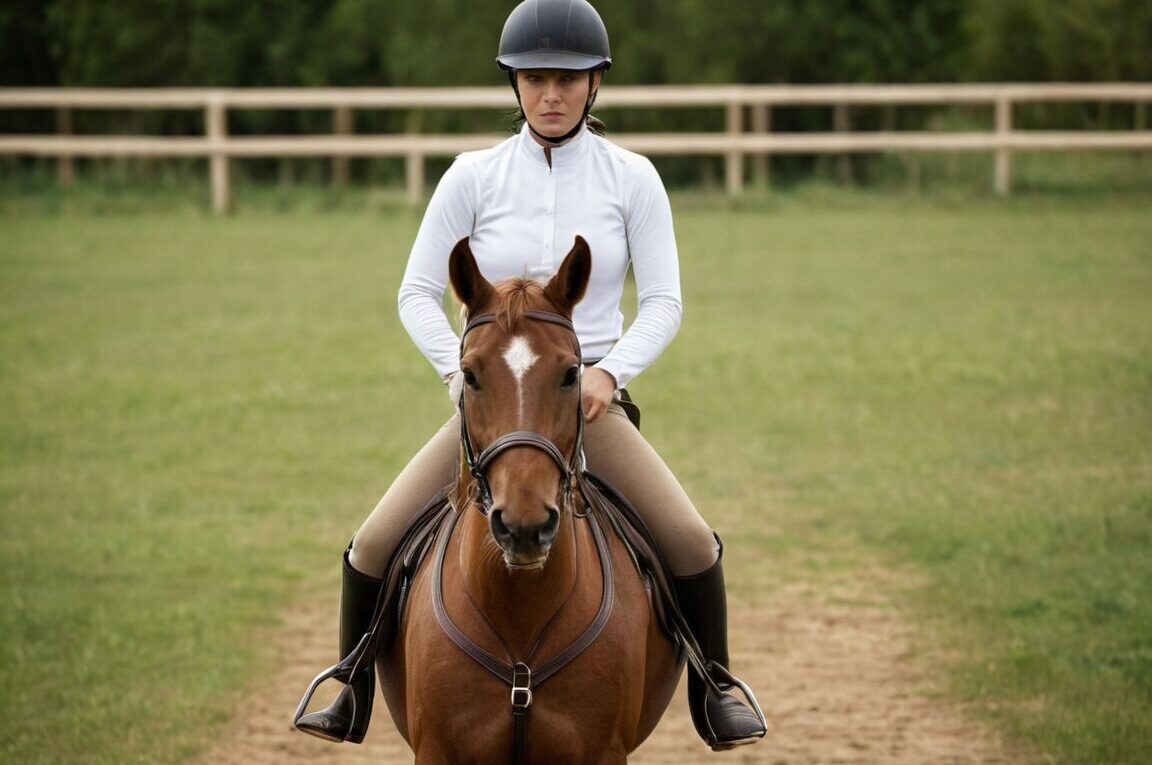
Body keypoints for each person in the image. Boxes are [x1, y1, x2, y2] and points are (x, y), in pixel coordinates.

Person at [294, 0, 766, 752]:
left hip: (587, 407)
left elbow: (666, 302)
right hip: (488, 405)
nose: (552, 94)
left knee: (691, 542)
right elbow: (416, 292)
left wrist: (609, 373)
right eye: (536, 78)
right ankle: (349, 683)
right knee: (373, 543)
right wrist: (457, 372)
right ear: (514, 84)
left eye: (569, 79)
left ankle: (718, 687)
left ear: (596, 84)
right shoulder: (472, 177)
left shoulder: (632, 180)